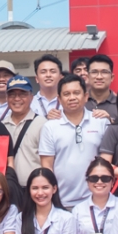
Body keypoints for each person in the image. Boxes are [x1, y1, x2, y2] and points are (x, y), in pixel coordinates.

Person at [38, 75, 109, 209]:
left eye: (76, 93)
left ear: (86, 96)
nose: (72, 97)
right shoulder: (50, 126)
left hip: (96, 201)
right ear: (59, 99)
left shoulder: (101, 122)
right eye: (66, 94)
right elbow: (47, 166)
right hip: (62, 202)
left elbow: (109, 160)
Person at [12, 168, 74, 234]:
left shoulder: (67, 218)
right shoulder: (21, 218)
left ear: (54, 189)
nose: (40, 193)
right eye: (35, 188)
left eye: (45, 188)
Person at [2, 77, 47, 183]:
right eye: (12, 94)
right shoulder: (1, 126)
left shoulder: (42, 124)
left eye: (22, 94)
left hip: (34, 191)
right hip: (8, 190)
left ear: (31, 97)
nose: (17, 99)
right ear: (7, 98)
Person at [82, 54, 118, 119]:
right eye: (94, 72)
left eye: (104, 72)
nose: (99, 77)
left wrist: (110, 121)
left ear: (112, 77)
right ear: (87, 76)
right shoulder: (79, 101)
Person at [32, 54, 65, 119]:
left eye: (53, 71)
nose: (48, 75)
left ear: (61, 77)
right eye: (43, 72)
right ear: (37, 79)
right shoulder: (29, 103)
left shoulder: (68, 101)